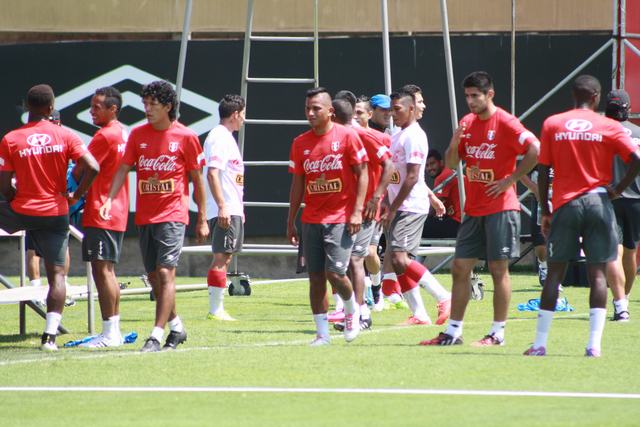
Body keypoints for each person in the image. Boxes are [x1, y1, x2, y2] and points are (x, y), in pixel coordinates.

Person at [524, 76, 640, 357]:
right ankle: (593, 345)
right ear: (596, 97)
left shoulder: (554, 123)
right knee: (598, 272)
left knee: (554, 273)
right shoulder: (609, 126)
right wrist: (617, 190)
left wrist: (547, 209)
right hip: (599, 202)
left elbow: (545, 169)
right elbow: (636, 160)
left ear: (573, 96)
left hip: (566, 203)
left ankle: (540, 344)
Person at [422, 71, 539, 346]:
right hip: (473, 210)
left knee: (499, 270)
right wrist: (454, 141)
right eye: (467, 96)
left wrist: (510, 180)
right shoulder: (467, 123)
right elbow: (451, 163)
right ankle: (453, 332)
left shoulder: (506, 123)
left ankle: (497, 333)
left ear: (490, 95)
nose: (471, 101)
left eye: (475, 95)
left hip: (501, 208)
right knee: (460, 267)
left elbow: (535, 148)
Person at [100, 80, 209, 352]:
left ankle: (155, 336)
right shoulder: (137, 135)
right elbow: (123, 170)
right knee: (153, 277)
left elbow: (198, 179)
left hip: (173, 215)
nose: (147, 109)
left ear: (168, 107)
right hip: (146, 217)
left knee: (164, 273)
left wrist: (203, 218)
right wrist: (109, 199)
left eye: (153, 104)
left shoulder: (186, 137)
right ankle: (177, 328)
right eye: (145, 103)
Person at [0, 84, 99, 351]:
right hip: (55, 211)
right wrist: (76, 195)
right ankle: (50, 337)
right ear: (51, 108)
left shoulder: (11, 139)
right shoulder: (65, 134)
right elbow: (93, 166)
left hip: (20, 211)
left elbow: (4, 185)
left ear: (26, 108)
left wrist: (11, 200)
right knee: (57, 275)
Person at [287, 87, 369, 346]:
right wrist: (290, 220)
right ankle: (322, 334)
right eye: (307, 109)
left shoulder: (347, 137)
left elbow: (363, 174)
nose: (310, 113)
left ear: (330, 112)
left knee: (335, 273)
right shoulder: (300, 143)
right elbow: (297, 184)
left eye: (316, 108)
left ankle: (352, 309)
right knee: (315, 278)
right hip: (310, 219)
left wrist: (357, 211)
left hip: (340, 217)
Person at [380, 90, 450, 326]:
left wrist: (393, 208)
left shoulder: (414, 136)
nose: (393, 113)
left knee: (399, 258)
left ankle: (443, 297)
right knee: (400, 260)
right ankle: (419, 314)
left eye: (397, 109)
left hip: (410, 207)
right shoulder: (398, 135)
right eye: (391, 109)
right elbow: (397, 175)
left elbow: (412, 177)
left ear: (411, 109)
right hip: (400, 206)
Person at [331, 98, 393, 331]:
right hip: (344, 210)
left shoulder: (364, 136)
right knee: (345, 262)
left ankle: (362, 312)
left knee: (357, 259)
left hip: (365, 210)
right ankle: (354, 311)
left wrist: (377, 198)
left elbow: (389, 166)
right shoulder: (335, 137)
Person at [75, 86, 129, 348]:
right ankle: (113, 332)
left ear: (112, 109)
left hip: (101, 210)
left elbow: (81, 170)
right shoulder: (123, 133)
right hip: (116, 210)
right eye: (91, 105)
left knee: (102, 270)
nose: (91, 111)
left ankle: (109, 334)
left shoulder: (104, 136)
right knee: (108, 271)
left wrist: (76, 193)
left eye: (97, 107)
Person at [203, 94, 245, 321]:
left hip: (232, 207)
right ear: (235, 114)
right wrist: (222, 206)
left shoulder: (225, 137)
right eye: (243, 114)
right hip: (225, 208)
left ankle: (217, 309)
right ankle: (215, 310)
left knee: (225, 257)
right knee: (221, 257)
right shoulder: (219, 136)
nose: (244, 120)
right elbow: (212, 173)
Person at [605, 89, 640, 322]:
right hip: (637, 200)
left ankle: (620, 304)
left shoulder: (602, 131)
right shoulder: (638, 132)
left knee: (614, 251)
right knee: (630, 252)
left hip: (609, 198)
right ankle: (624, 299)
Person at [423, 149, 462, 238]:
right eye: (427, 165)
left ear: (441, 163)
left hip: (459, 224)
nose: (429, 168)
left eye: (432, 163)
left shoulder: (442, 176)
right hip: (464, 222)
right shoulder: (449, 172)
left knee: (420, 225)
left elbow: (433, 210)